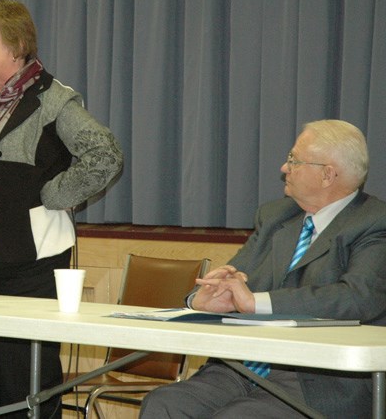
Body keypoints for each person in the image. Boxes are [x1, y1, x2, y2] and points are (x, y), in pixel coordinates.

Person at [0, 0, 123, 417]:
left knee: (26, 383)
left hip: (30, 265)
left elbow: (104, 155)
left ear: (15, 46)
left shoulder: (53, 101)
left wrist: (52, 195)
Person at [140, 119, 386, 418]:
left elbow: (359, 297)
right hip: (242, 368)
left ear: (327, 175)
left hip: (317, 380)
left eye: (294, 160)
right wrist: (203, 300)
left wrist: (255, 302)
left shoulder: (374, 222)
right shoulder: (276, 216)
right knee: (164, 403)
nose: (284, 167)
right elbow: (236, 275)